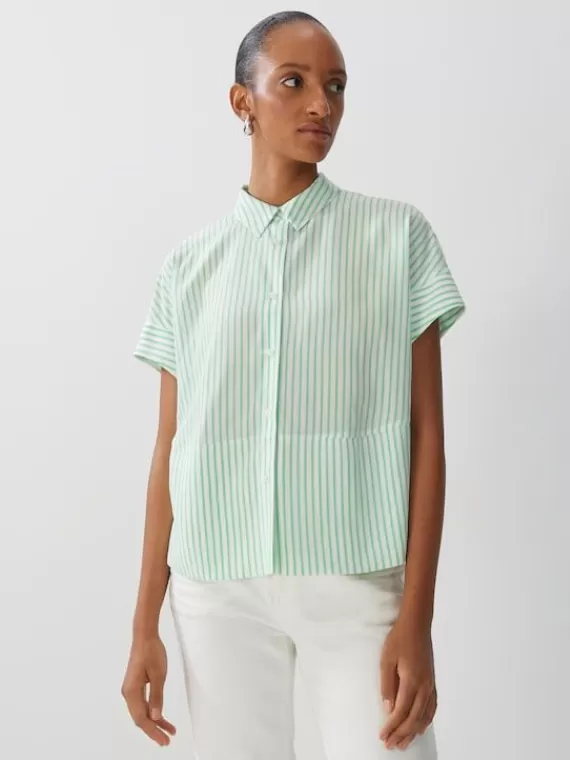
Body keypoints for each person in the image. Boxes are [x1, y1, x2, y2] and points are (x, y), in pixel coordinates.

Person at [121, 10, 465, 759]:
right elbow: (171, 447)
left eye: (335, 86)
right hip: (216, 593)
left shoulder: (397, 238)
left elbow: (428, 435)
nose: (321, 105)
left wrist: (416, 618)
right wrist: (145, 623)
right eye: (294, 82)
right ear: (241, 102)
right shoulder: (188, 268)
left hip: (358, 583)